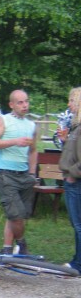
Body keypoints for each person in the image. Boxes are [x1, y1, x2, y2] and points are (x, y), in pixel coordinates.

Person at [0, 89, 38, 255]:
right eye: (20, 102)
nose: (25, 105)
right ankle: (22, 244)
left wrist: (32, 174)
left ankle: (7, 249)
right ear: (11, 105)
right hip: (5, 175)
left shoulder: (31, 125)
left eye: (26, 101)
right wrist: (15, 141)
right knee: (16, 215)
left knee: (17, 215)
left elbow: (33, 150)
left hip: (24, 175)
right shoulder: (3, 121)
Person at [58, 87, 81, 272]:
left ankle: (79, 265)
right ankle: (76, 259)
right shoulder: (76, 127)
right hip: (72, 181)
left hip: (76, 182)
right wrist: (65, 141)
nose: (69, 104)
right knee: (76, 224)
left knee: (79, 224)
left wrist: (73, 174)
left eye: (71, 101)